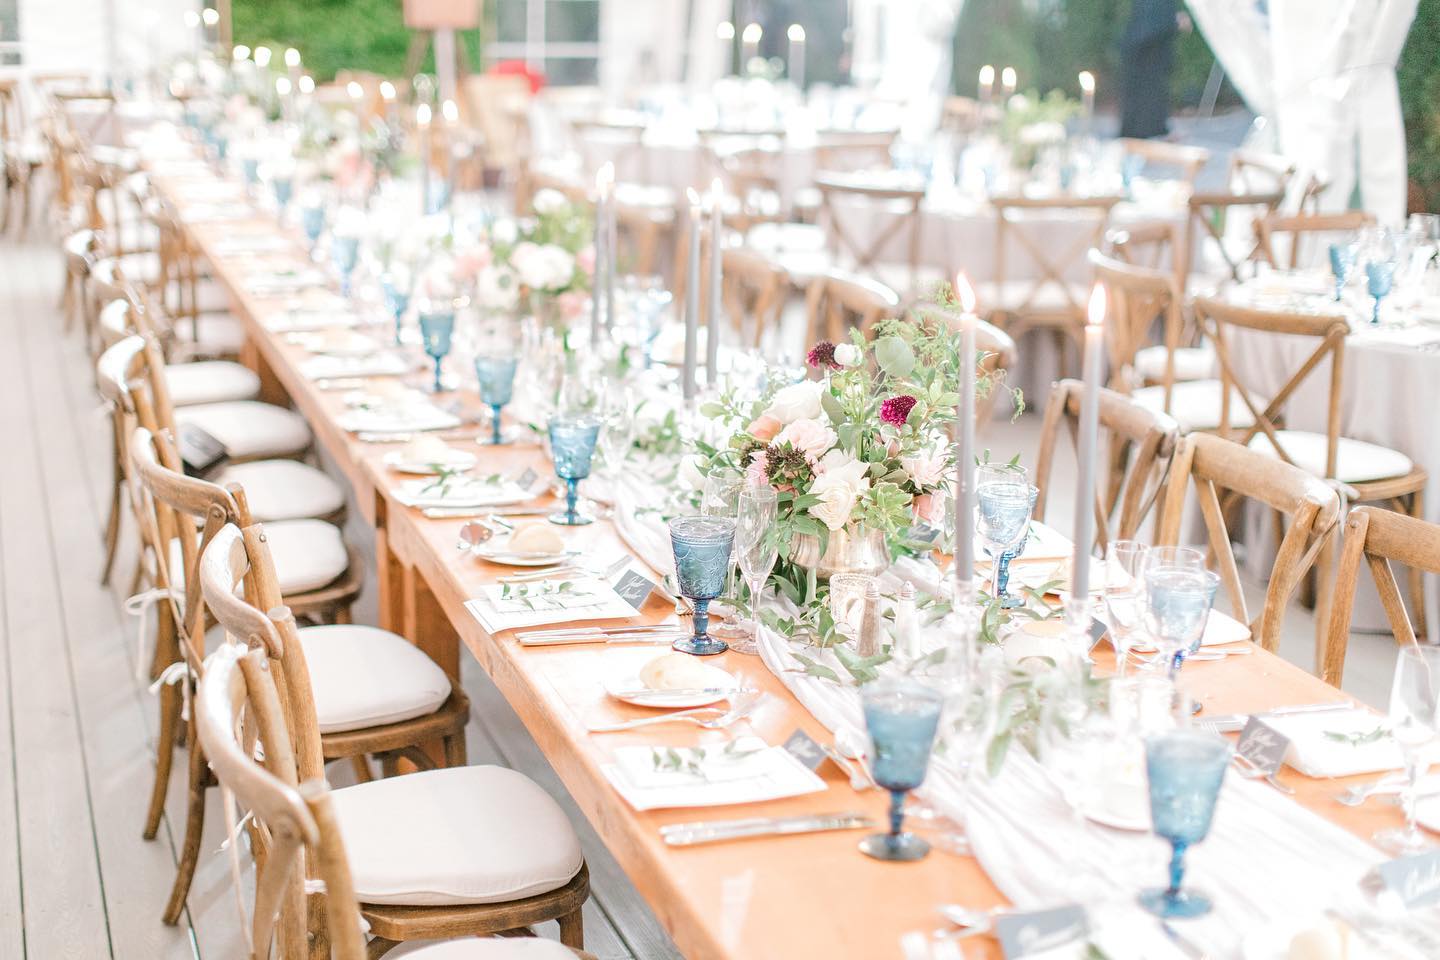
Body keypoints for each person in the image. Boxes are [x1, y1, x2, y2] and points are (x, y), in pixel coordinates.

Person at [1119, 0, 1180, 139]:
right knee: (1147, 93)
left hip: (1149, 52)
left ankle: (1149, 130)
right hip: (1147, 53)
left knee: (1150, 92)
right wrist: (1174, 22)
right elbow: (1152, 21)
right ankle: (1144, 132)